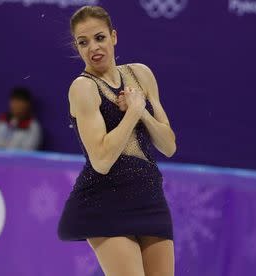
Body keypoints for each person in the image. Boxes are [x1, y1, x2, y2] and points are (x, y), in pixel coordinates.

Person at [57, 6, 177, 276]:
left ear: (114, 37)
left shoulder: (141, 74)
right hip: (105, 200)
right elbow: (101, 160)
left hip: (149, 196)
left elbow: (169, 146)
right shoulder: (83, 88)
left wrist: (141, 111)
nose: (93, 48)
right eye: (83, 42)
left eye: (99, 38)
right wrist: (132, 113)